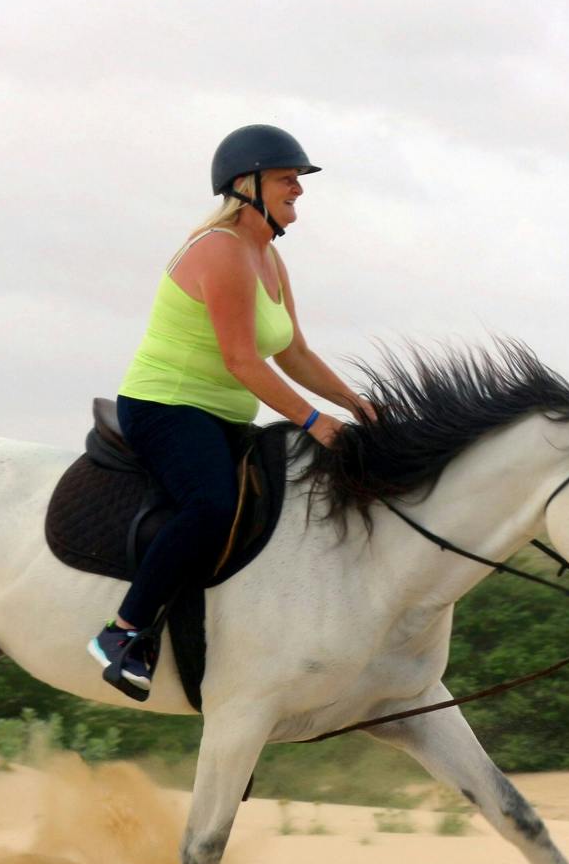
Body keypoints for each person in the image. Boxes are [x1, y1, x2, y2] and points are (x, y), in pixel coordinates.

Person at [89, 124, 374, 693]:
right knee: (211, 505)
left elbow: (293, 352)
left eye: (299, 180)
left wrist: (358, 405)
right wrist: (316, 423)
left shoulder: (268, 258)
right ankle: (124, 631)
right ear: (247, 185)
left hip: (224, 414)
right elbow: (244, 362)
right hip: (166, 405)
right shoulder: (220, 252)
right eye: (287, 179)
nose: (299, 189)